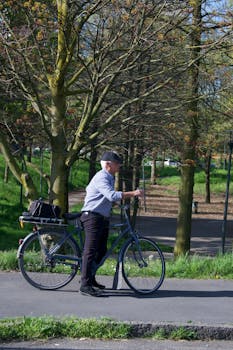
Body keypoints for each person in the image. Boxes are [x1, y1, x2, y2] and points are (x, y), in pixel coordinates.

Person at [80, 150, 143, 296]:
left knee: (101, 251)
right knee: (90, 251)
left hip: (101, 218)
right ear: (108, 165)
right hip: (92, 217)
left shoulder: (109, 177)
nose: (119, 167)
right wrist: (133, 193)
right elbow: (111, 195)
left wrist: (118, 205)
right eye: (117, 164)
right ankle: (84, 285)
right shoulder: (101, 177)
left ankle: (91, 278)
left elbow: (108, 198)